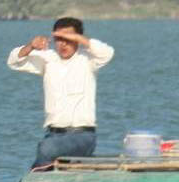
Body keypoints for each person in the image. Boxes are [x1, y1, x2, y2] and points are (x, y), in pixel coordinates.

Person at [6, 16, 115, 167]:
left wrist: (76, 37)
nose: (63, 44)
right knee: (47, 147)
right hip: (53, 134)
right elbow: (14, 61)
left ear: (77, 39)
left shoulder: (88, 60)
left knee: (46, 149)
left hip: (82, 136)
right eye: (58, 39)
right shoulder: (49, 59)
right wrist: (31, 45)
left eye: (68, 39)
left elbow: (107, 53)